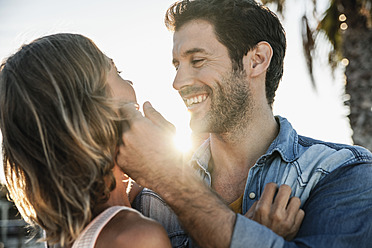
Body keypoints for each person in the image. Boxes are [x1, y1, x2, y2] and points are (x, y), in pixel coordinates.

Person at [117, 0, 372, 247]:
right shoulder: (154, 198)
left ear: (257, 60)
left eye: (197, 61)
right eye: (177, 65)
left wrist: (172, 180)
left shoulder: (343, 171)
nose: (178, 82)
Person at [0, 33, 172, 248]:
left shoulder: (62, 235)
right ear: (92, 109)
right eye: (116, 72)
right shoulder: (135, 237)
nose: (130, 82)